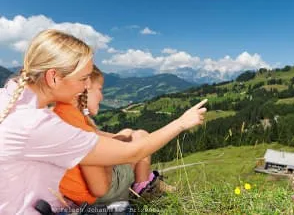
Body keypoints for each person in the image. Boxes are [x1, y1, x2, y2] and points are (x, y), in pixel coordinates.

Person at [0, 29, 207, 214]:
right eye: (83, 79)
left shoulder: (10, 98)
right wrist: (181, 122)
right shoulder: (36, 124)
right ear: (53, 77)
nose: (85, 87)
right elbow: (134, 153)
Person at [54, 65, 172, 206]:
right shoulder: (80, 129)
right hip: (95, 197)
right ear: (84, 89)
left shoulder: (63, 114)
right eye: (100, 89)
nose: (102, 96)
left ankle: (145, 179)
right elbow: (100, 189)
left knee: (127, 132)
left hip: (75, 190)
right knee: (141, 135)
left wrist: (120, 140)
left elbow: (98, 135)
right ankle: (143, 189)